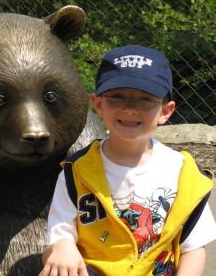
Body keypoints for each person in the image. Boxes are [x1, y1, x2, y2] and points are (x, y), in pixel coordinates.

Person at [40, 45, 216, 276]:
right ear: (98, 104)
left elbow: (193, 248)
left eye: (145, 99)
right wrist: (62, 246)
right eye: (118, 97)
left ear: (166, 111)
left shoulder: (183, 173)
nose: (130, 108)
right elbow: (55, 240)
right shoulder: (76, 172)